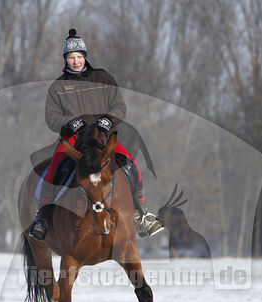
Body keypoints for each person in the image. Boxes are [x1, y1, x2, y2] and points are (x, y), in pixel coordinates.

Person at [29, 28, 163, 240]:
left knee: (131, 166)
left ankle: (140, 214)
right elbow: (52, 118)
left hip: (101, 136)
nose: (76, 61)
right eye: (71, 57)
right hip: (73, 139)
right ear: (65, 59)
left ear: (85, 57)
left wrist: (109, 119)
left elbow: (119, 107)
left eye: (79, 57)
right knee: (53, 169)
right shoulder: (58, 87)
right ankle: (43, 216)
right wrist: (69, 122)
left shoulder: (103, 77)